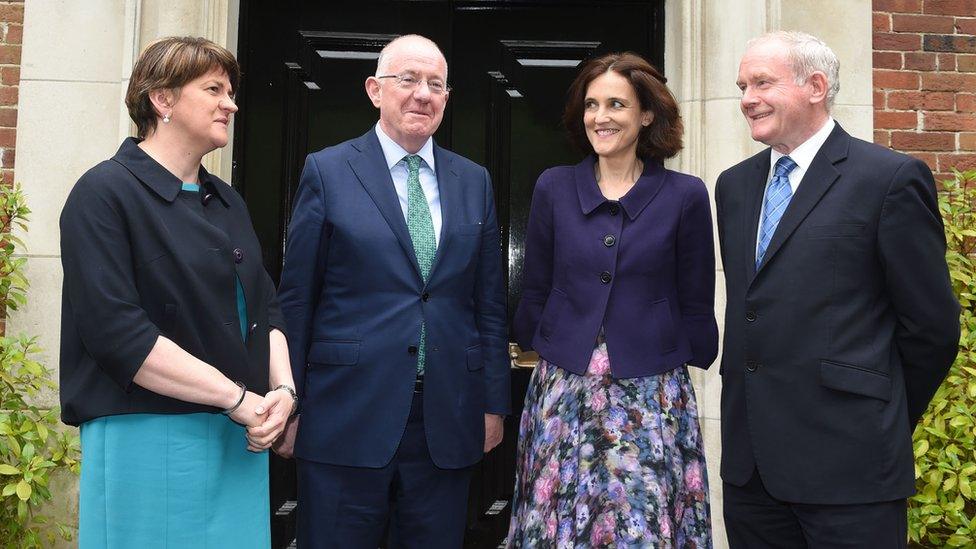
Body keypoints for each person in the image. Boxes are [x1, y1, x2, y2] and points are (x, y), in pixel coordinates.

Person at [716, 30, 960, 548]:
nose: (747, 99)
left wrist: (878, 413)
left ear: (816, 86)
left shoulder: (889, 178)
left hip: (851, 465)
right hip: (750, 469)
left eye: (762, 83)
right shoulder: (733, 186)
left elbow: (932, 328)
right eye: (742, 86)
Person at [59, 36, 296, 548]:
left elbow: (266, 308)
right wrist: (235, 398)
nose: (230, 103)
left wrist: (283, 394)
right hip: (147, 437)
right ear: (161, 100)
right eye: (213, 89)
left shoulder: (228, 202)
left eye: (231, 91)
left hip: (240, 439)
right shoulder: (104, 193)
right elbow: (117, 333)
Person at [274, 34, 510, 548]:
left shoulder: (475, 181)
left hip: (446, 419)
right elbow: (297, 299)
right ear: (374, 89)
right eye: (408, 79)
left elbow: (489, 305)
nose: (422, 93)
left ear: (447, 98)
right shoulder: (328, 170)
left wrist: (493, 402)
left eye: (436, 84)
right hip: (344, 416)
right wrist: (288, 402)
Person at [508, 52, 718, 547]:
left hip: (651, 396)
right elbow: (535, 285)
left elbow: (695, 298)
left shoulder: (685, 194)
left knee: (640, 527)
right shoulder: (554, 187)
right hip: (564, 392)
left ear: (647, 114)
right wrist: (540, 340)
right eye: (592, 105)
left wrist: (674, 354)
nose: (600, 117)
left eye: (617, 104)